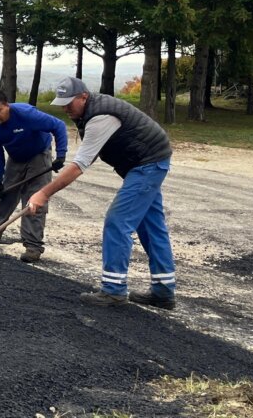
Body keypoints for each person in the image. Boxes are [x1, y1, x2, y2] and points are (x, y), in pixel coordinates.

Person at [27, 76, 177, 309]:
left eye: (69, 103)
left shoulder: (101, 117)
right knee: (151, 225)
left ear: (84, 96)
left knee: (118, 222)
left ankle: (114, 290)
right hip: (146, 161)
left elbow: (79, 166)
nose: (65, 108)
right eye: (62, 103)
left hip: (147, 164)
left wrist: (43, 193)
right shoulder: (90, 110)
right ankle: (163, 291)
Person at [0, 88, 68, 263]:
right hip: (15, 157)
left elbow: (58, 125)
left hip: (39, 154)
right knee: (5, 195)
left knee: (34, 199)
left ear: (7, 106)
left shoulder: (26, 114)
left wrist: (61, 155)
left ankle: (33, 245)